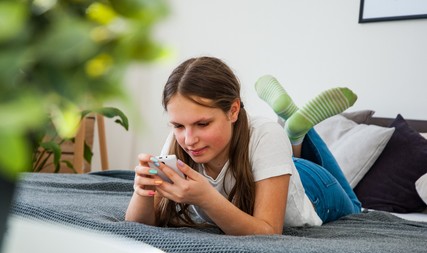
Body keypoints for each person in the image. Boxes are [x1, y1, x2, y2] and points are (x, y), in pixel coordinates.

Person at [125, 56, 361, 235]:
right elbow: (137, 227)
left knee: (356, 207)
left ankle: (296, 132)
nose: (189, 139)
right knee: (282, 152)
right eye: (177, 125)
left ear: (234, 110)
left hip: (314, 188)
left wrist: (206, 198)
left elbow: (268, 232)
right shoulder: (179, 144)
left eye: (203, 123)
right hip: (271, 165)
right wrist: (142, 191)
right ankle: (295, 134)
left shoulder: (266, 134)